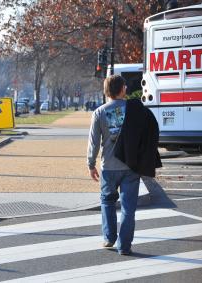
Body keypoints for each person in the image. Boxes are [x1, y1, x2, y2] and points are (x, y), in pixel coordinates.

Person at [87, 75, 139, 256]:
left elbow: (94, 142)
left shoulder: (99, 112)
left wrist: (91, 164)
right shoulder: (134, 111)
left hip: (109, 166)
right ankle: (124, 246)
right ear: (123, 89)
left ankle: (109, 237)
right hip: (131, 166)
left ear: (106, 90)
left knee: (107, 202)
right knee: (128, 208)